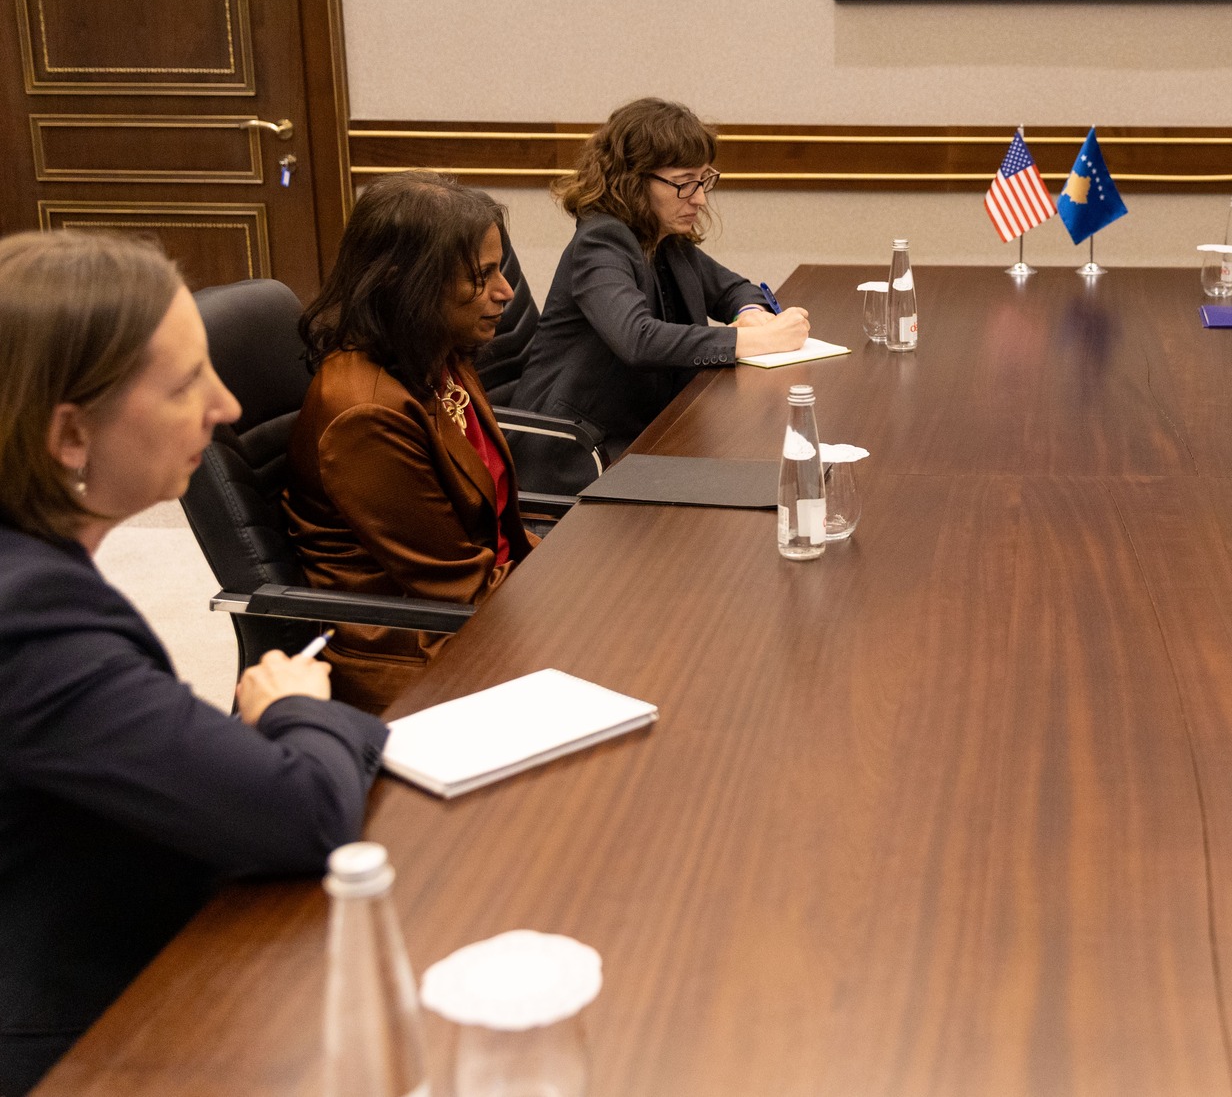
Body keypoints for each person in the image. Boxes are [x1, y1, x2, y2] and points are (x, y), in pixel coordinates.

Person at [0, 233, 385, 1095]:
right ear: (70, 434)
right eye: (185, 385)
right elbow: (306, 811)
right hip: (95, 1037)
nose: (227, 405)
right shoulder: (31, 617)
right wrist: (295, 705)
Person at [286, 172, 536, 711]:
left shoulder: (436, 352)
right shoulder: (364, 413)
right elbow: (457, 587)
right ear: (406, 283)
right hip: (420, 648)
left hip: (483, 604)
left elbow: (495, 530)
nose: (506, 292)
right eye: (482, 276)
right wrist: (575, 590)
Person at [512, 98, 811, 473]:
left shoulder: (667, 241)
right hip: (577, 450)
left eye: (704, 180)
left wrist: (751, 313)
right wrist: (756, 340)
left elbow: (735, 290)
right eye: (685, 184)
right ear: (633, 180)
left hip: (650, 431)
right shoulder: (601, 242)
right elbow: (637, 339)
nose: (700, 198)